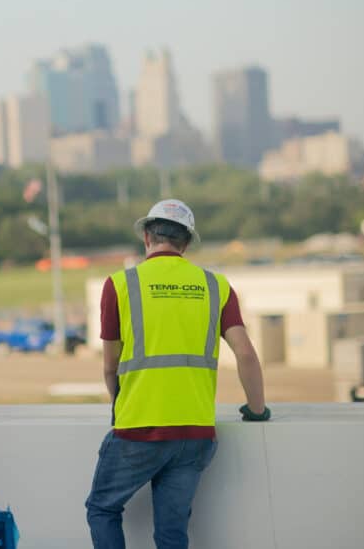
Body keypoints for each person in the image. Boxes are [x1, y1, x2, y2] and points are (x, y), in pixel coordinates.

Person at [85, 199, 269, 549]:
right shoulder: (216, 286)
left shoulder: (120, 285)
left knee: (102, 509)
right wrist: (257, 410)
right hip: (195, 434)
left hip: (139, 428)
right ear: (186, 242)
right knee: (172, 533)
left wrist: (121, 406)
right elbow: (245, 353)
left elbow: (110, 367)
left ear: (146, 236)